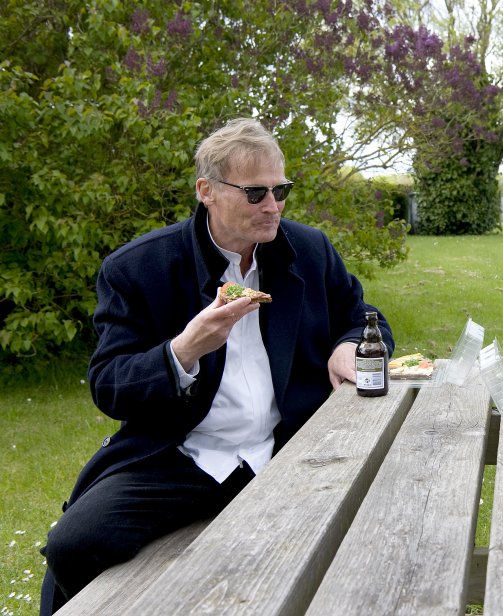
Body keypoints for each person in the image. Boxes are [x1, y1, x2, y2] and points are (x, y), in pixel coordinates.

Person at [40, 118, 394, 614]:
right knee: (72, 545)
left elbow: (364, 316)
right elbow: (108, 384)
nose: (272, 206)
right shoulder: (139, 268)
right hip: (183, 456)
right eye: (255, 194)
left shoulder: (307, 250)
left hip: (287, 447)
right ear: (207, 190)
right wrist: (182, 352)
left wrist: (350, 344)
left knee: (371, 533)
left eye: (281, 190)